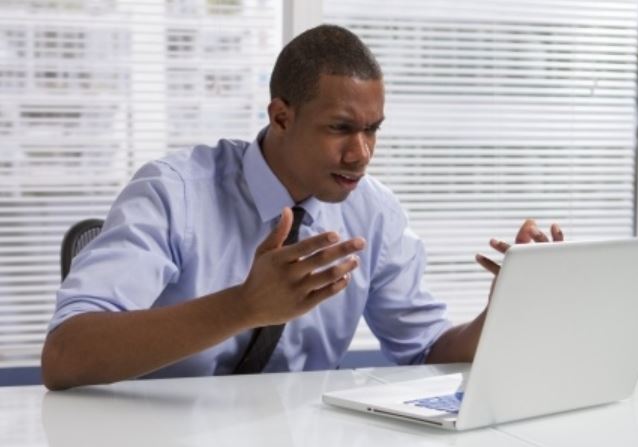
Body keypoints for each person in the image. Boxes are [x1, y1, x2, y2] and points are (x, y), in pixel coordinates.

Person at [41, 24, 563, 390]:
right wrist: (243, 305)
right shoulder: (173, 193)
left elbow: (426, 352)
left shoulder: (374, 213)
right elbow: (65, 356)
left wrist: (506, 312)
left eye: (372, 130)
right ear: (281, 116)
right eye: (340, 128)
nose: (360, 154)